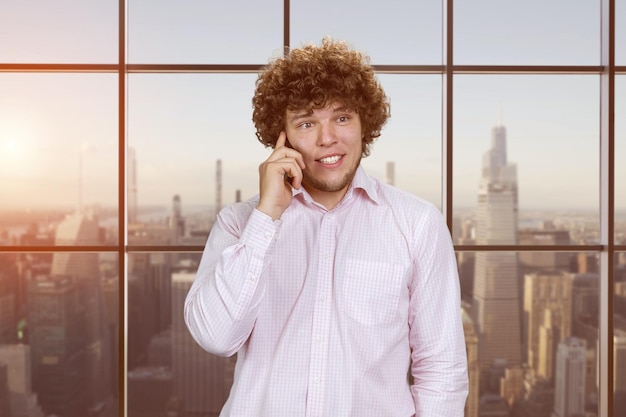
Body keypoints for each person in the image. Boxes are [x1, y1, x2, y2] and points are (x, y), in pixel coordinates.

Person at [184, 37, 469, 417]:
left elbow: (442, 370)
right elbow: (216, 337)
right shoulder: (240, 223)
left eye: (342, 117)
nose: (328, 138)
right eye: (306, 122)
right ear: (280, 137)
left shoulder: (417, 224)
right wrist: (267, 216)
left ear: (363, 123)